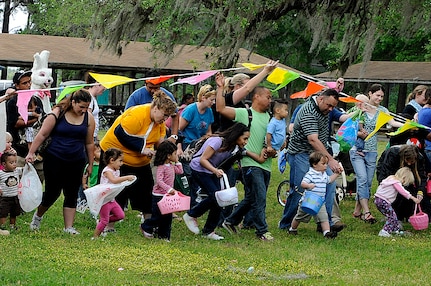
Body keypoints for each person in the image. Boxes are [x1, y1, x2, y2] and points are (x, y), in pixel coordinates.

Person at [216, 71, 277, 241]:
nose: (270, 100)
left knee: (251, 197)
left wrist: (274, 150)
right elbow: (220, 108)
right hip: (250, 162)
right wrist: (220, 88)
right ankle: (262, 231)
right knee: (260, 197)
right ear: (256, 97)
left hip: (266, 164)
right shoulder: (245, 113)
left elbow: (279, 142)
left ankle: (230, 221)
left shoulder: (271, 118)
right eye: (268, 97)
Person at [26, 89, 95, 234]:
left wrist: (90, 162)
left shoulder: (88, 118)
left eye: (86, 107)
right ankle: (37, 217)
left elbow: (89, 143)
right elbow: (42, 134)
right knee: (53, 192)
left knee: (71, 193)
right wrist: (31, 152)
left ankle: (68, 227)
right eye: (81, 107)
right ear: (73, 102)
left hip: (76, 160)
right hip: (55, 158)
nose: (83, 110)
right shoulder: (57, 113)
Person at [99, 90, 177, 220]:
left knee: (146, 189)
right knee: (116, 190)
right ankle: (107, 223)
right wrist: (143, 149)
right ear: (156, 108)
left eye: (168, 117)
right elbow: (121, 133)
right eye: (164, 115)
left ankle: (148, 223)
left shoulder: (160, 124)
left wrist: (166, 153)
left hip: (139, 161)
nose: (165, 119)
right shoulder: (137, 114)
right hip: (115, 155)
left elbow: (160, 141)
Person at [278, 89, 343, 232]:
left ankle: (324, 224)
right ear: (320, 99)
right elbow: (313, 139)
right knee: (300, 188)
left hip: (317, 153)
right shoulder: (308, 111)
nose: (331, 109)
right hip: (300, 153)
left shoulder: (324, 109)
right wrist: (331, 160)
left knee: (329, 185)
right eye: (329, 105)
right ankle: (286, 223)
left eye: (333, 107)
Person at [183, 122, 259, 240]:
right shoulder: (217, 141)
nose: (246, 142)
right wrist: (215, 171)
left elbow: (234, 161)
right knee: (215, 197)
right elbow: (203, 160)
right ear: (237, 135)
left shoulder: (234, 148)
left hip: (212, 171)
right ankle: (191, 215)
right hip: (199, 169)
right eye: (245, 138)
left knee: (221, 199)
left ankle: (208, 231)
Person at [350, 84, 403, 223]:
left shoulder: (382, 110)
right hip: (357, 150)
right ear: (370, 94)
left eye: (381, 96)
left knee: (367, 182)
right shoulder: (361, 107)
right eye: (377, 95)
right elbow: (348, 125)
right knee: (362, 179)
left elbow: (393, 122)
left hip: (372, 150)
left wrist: (409, 124)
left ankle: (357, 211)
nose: (379, 98)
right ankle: (367, 212)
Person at [288, 151, 340, 238]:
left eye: (326, 164)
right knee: (300, 216)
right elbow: (303, 183)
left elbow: (329, 180)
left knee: (324, 217)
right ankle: (292, 229)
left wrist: (337, 174)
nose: (326, 166)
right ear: (315, 164)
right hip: (309, 201)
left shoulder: (323, 175)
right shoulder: (310, 174)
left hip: (320, 201)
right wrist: (308, 186)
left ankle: (327, 233)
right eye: (323, 164)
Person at [140, 141, 183, 241]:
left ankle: (164, 235)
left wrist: (177, 161)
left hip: (168, 196)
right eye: (174, 154)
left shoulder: (172, 166)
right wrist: (169, 189)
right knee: (157, 216)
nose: (176, 156)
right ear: (168, 156)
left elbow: (180, 171)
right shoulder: (161, 167)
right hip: (159, 195)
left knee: (167, 217)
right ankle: (146, 227)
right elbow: (159, 181)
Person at [376, 144, 430, 222]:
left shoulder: (419, 158)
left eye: (411, 161)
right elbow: (385, 174)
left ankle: (407, 214)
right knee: (394, 192)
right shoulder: (393, 154)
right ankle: (393, 215)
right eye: (407, 160)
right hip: (388, 170)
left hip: (404, 173)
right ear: (403, 157)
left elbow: (421, 177)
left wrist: (420, 191)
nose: (409, 164)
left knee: (409, 189)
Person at [92, 148, 135, 239]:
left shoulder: (116, 170)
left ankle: (101, 222)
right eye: (120, 161)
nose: (122, 163)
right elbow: (114, 180)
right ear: (112, 160)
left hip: (111, 199)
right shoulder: (107, 171)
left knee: (120, 215)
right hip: (104, 200)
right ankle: (95, 237)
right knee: (105, 220)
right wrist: (126, 178)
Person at [125, 71, 179, 142]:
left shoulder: (168, 95)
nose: (153, 90)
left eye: (156, 88)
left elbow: (175, 115)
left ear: (160, 85)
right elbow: (126, 116)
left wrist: (173, 136)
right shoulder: (136, 96)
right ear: (145, 84)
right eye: (150, 87)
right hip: (140, 134)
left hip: (160, 134)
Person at [375, 167, 423, 237]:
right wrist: (413, 198)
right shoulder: (396, 182)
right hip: (383, 201)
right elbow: (403, 192)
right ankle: (385, 231)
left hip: (378, 200)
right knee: (392, 216)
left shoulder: (390, 178)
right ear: (403, 178)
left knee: (392, 215)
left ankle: (395, 229)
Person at [0, 152, 23, 232]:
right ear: (4, 164)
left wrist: (28, 163)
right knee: (3, 212)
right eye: (11, 162)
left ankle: (12, 225)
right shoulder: (1, 173)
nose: (14, 164)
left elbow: (24, 169)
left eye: (15, 162)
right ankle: (2, 226)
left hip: (15, 197)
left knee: (14, 212)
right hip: (5, 198)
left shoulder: (16, 171)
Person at [85, 72, 106, 143]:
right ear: (97, 84)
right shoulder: (89, 98)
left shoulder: (93, 98)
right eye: (104, 86)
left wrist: (97, 137)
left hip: (93, 135)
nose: (105, 88)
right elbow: (87, 119)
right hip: (89, 136)